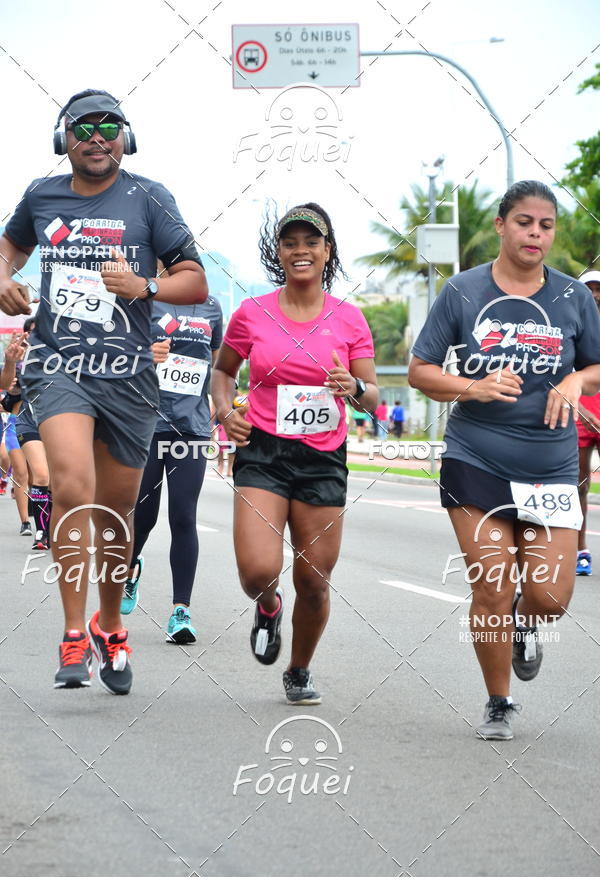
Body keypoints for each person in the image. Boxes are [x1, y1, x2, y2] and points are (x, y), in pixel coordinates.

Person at [0, 89, 207, 693]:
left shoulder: (149, 198)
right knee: (70, 484)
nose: (97, 135)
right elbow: (6, 250)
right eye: (83, 126)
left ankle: (109, 624)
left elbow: (192, 280)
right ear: (63, 139)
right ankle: (70, 633)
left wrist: (141, 284)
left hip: (128, 375)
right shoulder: (41, 196)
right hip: (59, 363)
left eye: (109, 125)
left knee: (116, 513)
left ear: (126, 137)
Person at [409, 180, 600, 741]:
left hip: (551, 467)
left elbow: (599, 365)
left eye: (545, 225)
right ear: (500, 226)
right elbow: (421, 370)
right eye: (524, 222)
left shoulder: (573, 298)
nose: (535, 233)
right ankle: (499, 701)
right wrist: (470, 386)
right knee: (491, 584)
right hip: (477, 460)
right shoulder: (463, 292)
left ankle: (526, 620)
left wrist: (574, 380)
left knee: (549, 597)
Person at [211, 203, 377, 704]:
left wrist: (353, 386)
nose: (301, 250)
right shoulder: (251, 313)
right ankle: (266, 604)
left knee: (314, 579)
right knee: (258, 570)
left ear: (327, 252)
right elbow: (222, 374)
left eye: (311, 242)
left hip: (323, 458)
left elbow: (371, 395)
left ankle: (299, 670)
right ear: (278, 252)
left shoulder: (348, 319)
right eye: (290, 242)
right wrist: (224, 411)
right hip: (263, 451)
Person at [121, 277, 223, 644]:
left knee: (183, 515)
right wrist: (143, 357)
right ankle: (130, 567)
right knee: (143, 516)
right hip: (146, 425)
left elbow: (218, 364)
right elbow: (115, 356)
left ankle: (181, 611)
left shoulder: (211, 305)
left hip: (192, 429)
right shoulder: (141, 300)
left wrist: (224, 401)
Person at [12, 316, 53, 551]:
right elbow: (9, 385)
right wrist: (12, 362)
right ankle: (40, 531)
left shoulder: (66, 355)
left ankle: (51, 527)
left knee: (58, 484)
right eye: (33, 333)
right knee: (41, 475)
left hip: (59, 425)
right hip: (29, 423)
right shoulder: (20, 358)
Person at [575, 271, 600, 575]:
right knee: (579, 485)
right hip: (580, 410)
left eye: (599, 289)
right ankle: (581, 551)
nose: (595, 294)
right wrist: (579, 409)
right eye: (589, 289)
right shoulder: (572, 325)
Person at [0, 331, 32, 535]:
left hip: (41, 424)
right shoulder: (16, 370)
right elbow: (5, 387)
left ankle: (45, 525)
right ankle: (26, 523)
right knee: (20, 472)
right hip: (14, 423)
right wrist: (11, 362)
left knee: (41, 477)